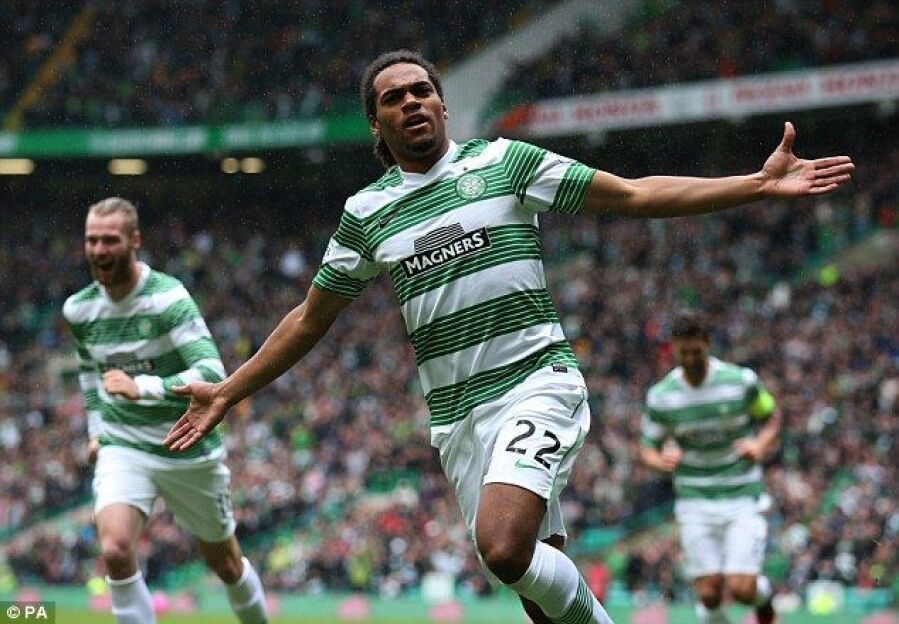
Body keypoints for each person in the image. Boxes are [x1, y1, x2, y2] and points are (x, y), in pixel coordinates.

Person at [163, 50, 853, 624]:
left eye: (422, 90)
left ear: (442, 104)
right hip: (456, 418)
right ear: (375, 121)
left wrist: (754, 186)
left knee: (501, 546)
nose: (412, 102)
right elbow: (310, 317)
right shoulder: (367, 213)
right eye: (394, 97)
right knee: (534, 596)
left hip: (535, 382)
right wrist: (228, 391)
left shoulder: (504, 163)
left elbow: (633, 195)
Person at [63, 197, 268, 624]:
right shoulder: (78, 309)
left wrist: (141, 387)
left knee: (225, 563)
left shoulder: (167, 298)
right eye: (91, 240)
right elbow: (90, 374)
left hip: (186, 446)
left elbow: (211, 372)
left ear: (135, 241)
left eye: (110, 240)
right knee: (115, 550)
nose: (99, 250)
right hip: (124, 445)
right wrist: (96, 431)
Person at [640, 310, 781, 624]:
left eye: (696, 351)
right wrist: (661, 461)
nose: (691, 359)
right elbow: (647, 448)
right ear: (673, 349)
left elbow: (771, 416)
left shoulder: (740, 381)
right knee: (708, 594)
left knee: (742, 589)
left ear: (707, 344)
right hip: (695, 500)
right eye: (684, 352)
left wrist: (760, 445)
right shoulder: (662, 397)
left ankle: (763, 599)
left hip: (741, 494)